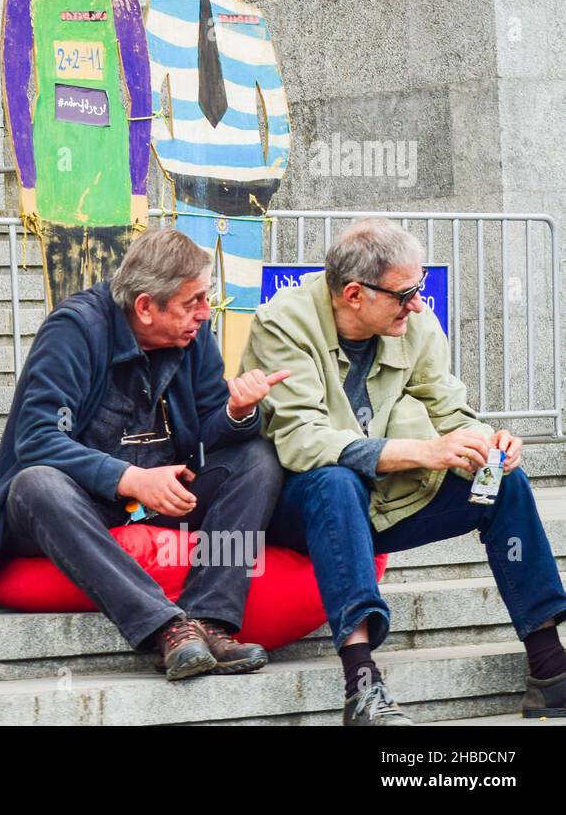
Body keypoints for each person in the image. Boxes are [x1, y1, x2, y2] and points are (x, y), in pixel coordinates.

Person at [242, 218, 566, 724]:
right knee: (334, 479)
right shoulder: (281, 324)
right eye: (405, 294)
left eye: (417, 291)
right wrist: (424, 451)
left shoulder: (414, 323)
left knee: (504, 482)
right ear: (354, 294)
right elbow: (305, 442)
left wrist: (488, 442)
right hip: (298, 507)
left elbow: (450, 410)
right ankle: (362, 686)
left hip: (380, 501)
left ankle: (550, 669)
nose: (417, 303)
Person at [0, 229, 287, 680]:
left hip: (157, 500)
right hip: (80, 502)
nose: (204, 312)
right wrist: (132, 479)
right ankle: (166, 628)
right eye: (192, 301)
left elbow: (209, 432)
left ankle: (209, 622)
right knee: (35, 483)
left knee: (255, 457)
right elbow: (37, 439)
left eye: (206, 299)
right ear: (144, 306)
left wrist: (238, 411)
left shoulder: (193, 336)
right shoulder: (75, 330)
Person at [144, 0, 290, 371]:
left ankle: (237, 391)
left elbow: (273, 97)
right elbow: (151, 95)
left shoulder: (248, 16)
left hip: (248, 176)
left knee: (245, 295)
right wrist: (170, 156)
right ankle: (201, 390)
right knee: (193, 290)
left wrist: (275, 166)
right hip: (191, 175)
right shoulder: (164, 11)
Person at [1, 0, 153, 310]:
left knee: (116, 316)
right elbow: (16, 86)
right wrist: (28, 181)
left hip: (112, 182)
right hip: (56, 179)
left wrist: (138, 186)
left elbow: (140, 94)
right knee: (65, 315)